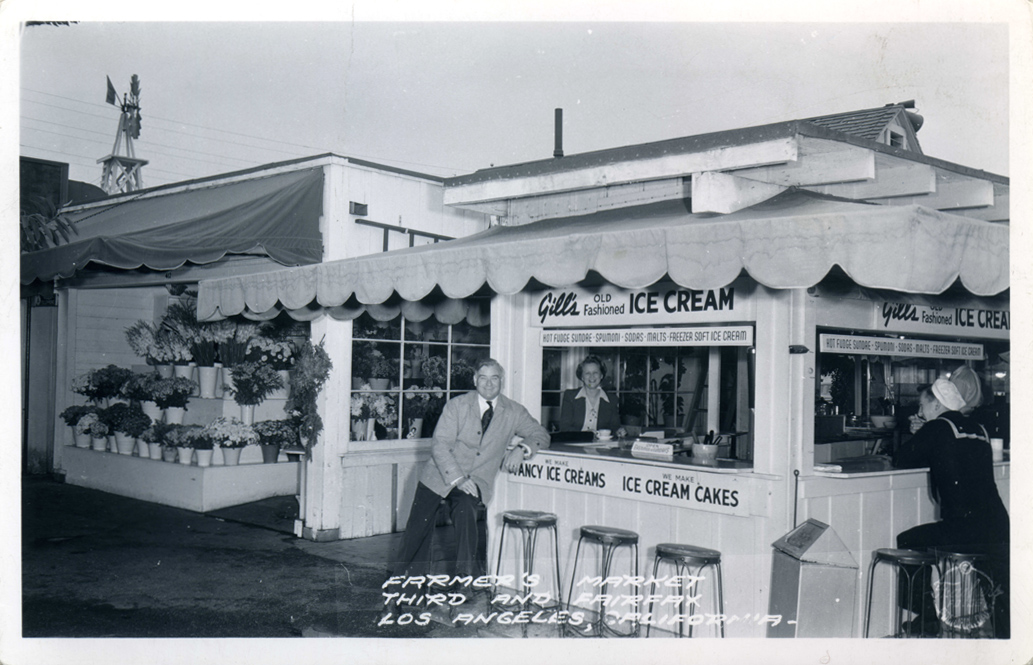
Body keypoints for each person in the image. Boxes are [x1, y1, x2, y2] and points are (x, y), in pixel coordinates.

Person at [390, 358, 550, 600]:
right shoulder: (457, 406)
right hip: (440, 475)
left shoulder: (513, 411)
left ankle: (463, 582)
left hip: (475, 482)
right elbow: (440, 445)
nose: (488, 383)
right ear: (475, 380)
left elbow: (540, 434)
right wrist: (457, 478)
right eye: (483, 378)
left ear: (501, 381)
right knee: (416, 531)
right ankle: (403, 592)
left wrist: (522, 449)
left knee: (467, 512)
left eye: (494, 378)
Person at [892, 378, 1009, 637]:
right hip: (999, 526)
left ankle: (928, 618)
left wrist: (921, 433)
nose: (919, 412)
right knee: (1003, 593)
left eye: (922, 406)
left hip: (964, 530)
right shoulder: (979, 428)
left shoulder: (937, 427)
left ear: (936, 406)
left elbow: (901, 459)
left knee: (907, 540)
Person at [557, 355, 625, 436]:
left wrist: (619, 432)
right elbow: (564, 428)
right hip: (576, 444)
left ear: (601, 376)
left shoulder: (612, 399)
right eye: (587, 373)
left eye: (595, 373)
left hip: (602, 447)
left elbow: (614, 428)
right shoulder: (570, 396)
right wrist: (586, 435)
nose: (591, 377)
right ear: (582, 377)